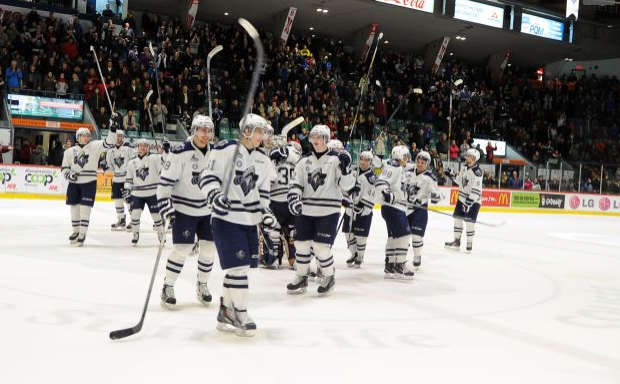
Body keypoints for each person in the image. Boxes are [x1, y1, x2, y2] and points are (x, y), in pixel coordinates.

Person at [199, 113, 276, 336]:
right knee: (239, 268)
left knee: (238, 269)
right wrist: (214, 195)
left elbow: (263, 193)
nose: (263, 136)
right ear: (247, 131)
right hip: (227, 219)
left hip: (249, 221)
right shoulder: (225, 149)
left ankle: (226, 311)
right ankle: (241, 314)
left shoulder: (262, 159)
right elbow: (207, 177)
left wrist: (266, 213)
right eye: (260, 131)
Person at [157, 115, 218, 307]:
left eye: (209, 130)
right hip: (184, 209)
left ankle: (202, 285)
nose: (205, 135)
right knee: (183, 248)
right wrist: (166, 207)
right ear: (193, 130)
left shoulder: (216, 153)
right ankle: (168, 285)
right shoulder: (179, 152)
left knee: (209, 249)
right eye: (202, 130)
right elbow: (164, 184)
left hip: (207, 210)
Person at [286, 125, 354, 296]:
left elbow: (348, 186)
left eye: (319, 136)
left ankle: (329, 277)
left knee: (320, 246)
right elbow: (296, 183)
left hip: (328, 211)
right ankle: (301, 276)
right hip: (306, 210)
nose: (315, 140)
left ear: (326, 139)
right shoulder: (303, 160)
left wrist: (346, 170)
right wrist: (294, 197)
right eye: (313, 136)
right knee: (301, 245)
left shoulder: (337, 160)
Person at [61, 120, 118, 246]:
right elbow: (64, 168)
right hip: (74, 183)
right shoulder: (69, 152)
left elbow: (110, 142)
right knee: (74, 208)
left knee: (85, 209)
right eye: (83, 135)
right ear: (78, 137)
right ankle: (75, 231)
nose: (86, 137)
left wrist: (113, 128)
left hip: (89, 182)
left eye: (88, 135)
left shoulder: (95, 146)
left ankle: (82, 233)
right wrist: (69, 175)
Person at [375, 145, 414, 280]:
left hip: (394, 208)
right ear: (401, 156)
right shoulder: (394, 166)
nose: (407, 159)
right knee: (404, 236)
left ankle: (390, 265)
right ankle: (399, 265)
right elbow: (381, 181)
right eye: (406, 156)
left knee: (394, 237)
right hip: (394, 208)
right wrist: (386, 193)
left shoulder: (398, 168)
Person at [264, 134, 302, 269]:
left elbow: (269, 179)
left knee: (273, 231)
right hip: (293, 199)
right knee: (293, 232)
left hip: (275, 200)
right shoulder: (299, 159)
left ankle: (273, 259)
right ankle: (296, 259)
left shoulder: (276, 156)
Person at [124, 138, 164, 245]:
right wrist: (127, 190)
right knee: (135, 215)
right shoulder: (131, 163)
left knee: (156, 216)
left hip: (152, 192)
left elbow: (164, 165)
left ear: (148, 148)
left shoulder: (154, 158)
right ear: (137, 147)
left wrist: (165, 151)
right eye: (140, 145)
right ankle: (135, 234)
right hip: (137, 193)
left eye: (145, 146)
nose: (143, 147)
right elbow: (129, 179)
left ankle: (161, 233)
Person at [405, 151, 441, 268]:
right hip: (405, 209)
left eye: (423, 163)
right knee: (403, 236)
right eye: (418, 162)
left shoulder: (430, 177)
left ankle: (417, 255)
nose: (419, 164)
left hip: (419, 210)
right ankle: (401, 258)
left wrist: (435, 196)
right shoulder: (408, 172)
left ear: (427, 164)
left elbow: (435, 193)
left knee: (416, 236)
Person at [445, 148, 483, 252]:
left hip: (473, 202)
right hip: (462, 199)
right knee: (457, 219)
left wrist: (470, 201)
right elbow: (461, 182)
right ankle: (456, 240)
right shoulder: (464, 168)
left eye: (470, 156)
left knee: (469, 222)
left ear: (474, 159)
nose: (467, 157)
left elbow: (477, 188)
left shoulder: (477, 172)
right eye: (467, 156)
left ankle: (469, 243)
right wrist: (452, 175)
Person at [343, 151, 377, 268]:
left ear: (370, 162)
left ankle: (360, 256)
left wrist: (362, 205)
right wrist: (346, 196)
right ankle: (354, 253)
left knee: (360, 235)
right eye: (361, 159)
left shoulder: (371, 177)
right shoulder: (353, 172)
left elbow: (372, 193)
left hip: (363, 211)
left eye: (366, 160)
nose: (363, 162)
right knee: (348, 233)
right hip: (350, 208)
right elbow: (345, 185)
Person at [105, 130, 136, 231]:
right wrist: (105, 167)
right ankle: (121, 219)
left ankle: (134, 220)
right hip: (116, 179)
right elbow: (110, 168)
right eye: (117, 136)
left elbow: (135, 162)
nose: (119, 138)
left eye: (120, 136)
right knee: (117, 200)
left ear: (123, 137)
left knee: (128, 200)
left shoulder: (129, 147)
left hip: (127, 179)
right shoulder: (110, 150)